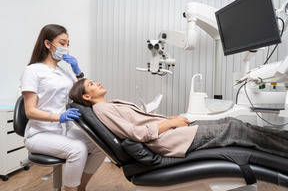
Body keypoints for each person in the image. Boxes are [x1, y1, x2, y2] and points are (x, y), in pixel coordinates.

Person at [69, 78, 288, 159]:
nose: (97, 83)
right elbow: (136, 133)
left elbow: (142, 121)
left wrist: (170, 119)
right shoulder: (102, 111)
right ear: (87, 97)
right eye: (91, 84)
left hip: (173, 132)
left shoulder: (111, 103)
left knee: (236, 124)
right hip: (169, 140)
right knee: (235, 129)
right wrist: (172, 123)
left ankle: (284, 139)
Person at [21, 24, 105, 191]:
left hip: (62, 131)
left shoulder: (64, 72)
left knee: (100, 144)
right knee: (78, 149)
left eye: (68, 44)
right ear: (47, 44)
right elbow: (30, 111)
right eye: (62, 43)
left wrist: (78, 72)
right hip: (39, 134)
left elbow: (86, 93)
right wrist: (58, 117)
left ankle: (81, 188)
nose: (66, 48)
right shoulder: (33, 71)